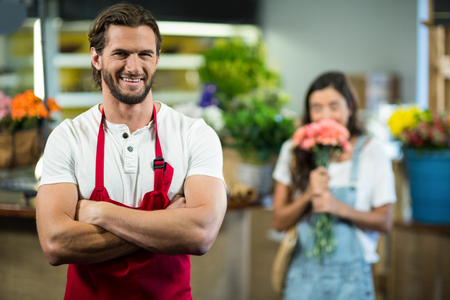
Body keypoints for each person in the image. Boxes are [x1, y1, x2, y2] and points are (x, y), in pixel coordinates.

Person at [35, 3, 227, 300]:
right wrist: (166, 225)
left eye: (145, 54)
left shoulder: (194, 135)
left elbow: (200, 234)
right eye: (121, 53)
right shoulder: (69, 137)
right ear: (97, 58)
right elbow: (55, 243)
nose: (134, 66)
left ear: (157, 59)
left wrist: (101, 212)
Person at [272, 71, 396, 300]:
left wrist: (337, 207)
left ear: (350, 107)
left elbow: (384, 221)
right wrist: (309, 194)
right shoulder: (292, 150)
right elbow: (278, 221)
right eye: (316, 108)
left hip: (352, 282)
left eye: (334, 106)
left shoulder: (372, 151)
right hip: (302, 280)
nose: (325, 115)